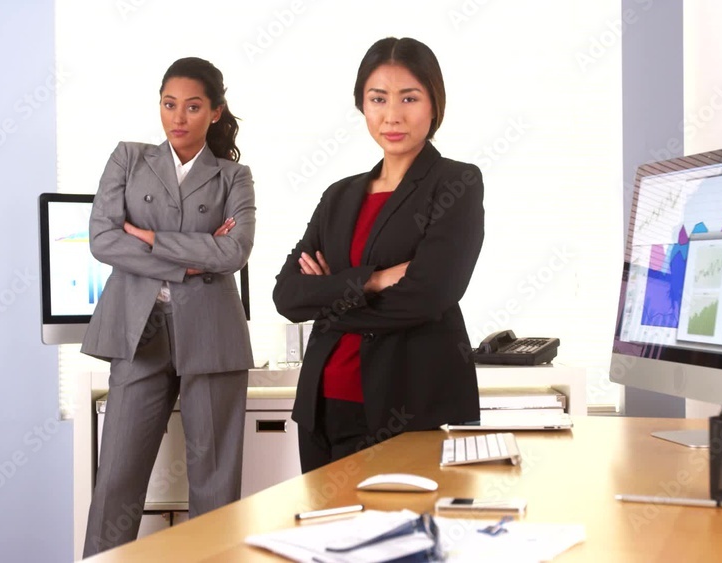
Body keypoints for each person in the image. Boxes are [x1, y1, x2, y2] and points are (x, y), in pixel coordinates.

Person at [273, 37, 485, 472]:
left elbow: (429, 295)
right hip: (322, 408)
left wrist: (329, 299)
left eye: (409, 98)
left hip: (407, 409)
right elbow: (288, 295)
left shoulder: (455, 183)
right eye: (378, 99)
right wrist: (373, 280)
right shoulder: (339, 196)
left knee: (405, 519)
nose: (392, 115)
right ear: (362, 106)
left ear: (434, 104)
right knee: (324, 519)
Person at [80, 57, 255, 556]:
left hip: (213, 334)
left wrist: (151, 237)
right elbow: (102, 239)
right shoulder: (129, 158)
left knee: (215, 486)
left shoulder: (234, 176)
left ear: (215, 112)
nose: (178, 117)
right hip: (139, 329)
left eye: (193, 107)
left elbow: (234, 252)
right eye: (169, 104)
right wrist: (191, 260)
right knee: (116, 478)